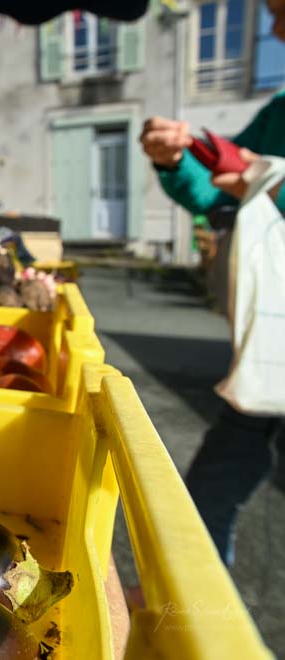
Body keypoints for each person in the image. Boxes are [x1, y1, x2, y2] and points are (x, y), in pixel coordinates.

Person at [139, 0, 285, 566]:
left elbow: (253, 178)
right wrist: (174, 158)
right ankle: (191, 625)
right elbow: (213, 189)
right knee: (208, 494)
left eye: (279, 10)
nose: (272, 26)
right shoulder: (278, 111)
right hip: (271, 342)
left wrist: (268, 181)